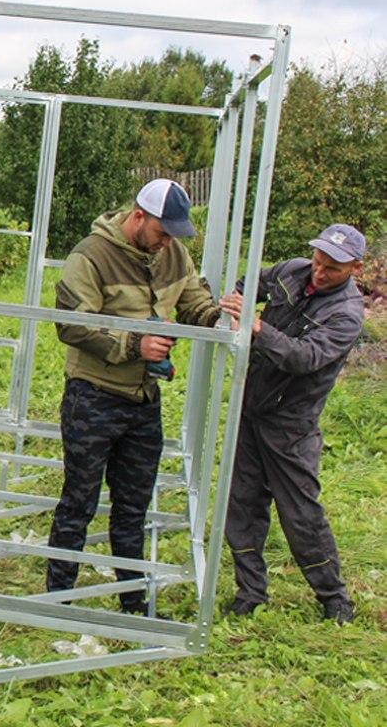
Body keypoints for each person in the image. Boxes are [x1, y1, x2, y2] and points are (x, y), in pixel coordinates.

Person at [47, 179, 221, 614]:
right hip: (94, 396)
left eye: (174, 235)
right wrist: (133, 345)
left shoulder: (173, 252)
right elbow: (70, 324)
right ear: (138, 216)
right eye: (162, 232)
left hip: (143, 401)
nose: (167, 243)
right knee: (79, 501)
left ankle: (132, 601)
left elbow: (193, 300)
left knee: (133, 507)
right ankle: (58, 598)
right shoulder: (90, 255)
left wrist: (218, 320)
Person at [219, 224, 366, 624]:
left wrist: (258, 329)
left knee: (300, 512)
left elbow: (304, 358)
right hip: (252, 407)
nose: (320, 271)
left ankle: (334, 599)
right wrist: (235, 297)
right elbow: (252, 282)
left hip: (292, 423)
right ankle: (250, 592)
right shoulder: (292, 271)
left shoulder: (346, 314)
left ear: (355, 266)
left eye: (333, 267)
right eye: (319, 259)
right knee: (243, 501)